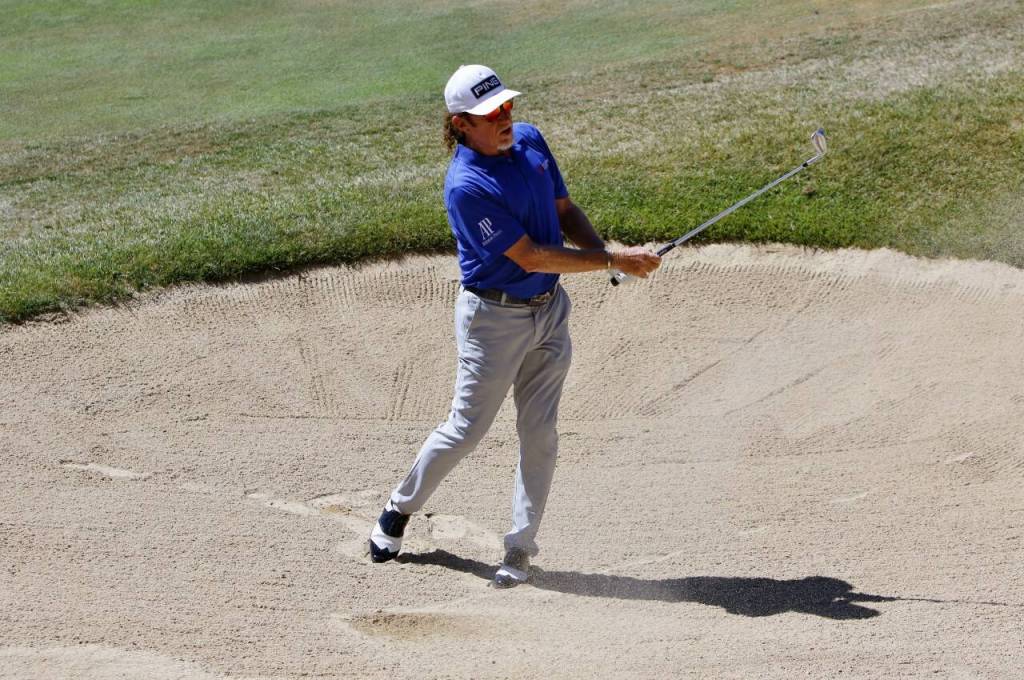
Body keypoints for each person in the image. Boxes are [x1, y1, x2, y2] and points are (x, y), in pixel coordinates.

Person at [369, 64, 661, 588]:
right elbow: (527, 257)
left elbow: (565, 210)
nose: (505, 119)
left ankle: (521, 546)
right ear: (461, 124)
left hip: (550, 311)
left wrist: (603, 255)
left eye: (507, 107)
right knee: (466, 431)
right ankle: (399, 507)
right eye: (490, 114)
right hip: (494, 321)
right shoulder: (467, 185)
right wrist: (614, 260)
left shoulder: (529, 141)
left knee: (540, 433)